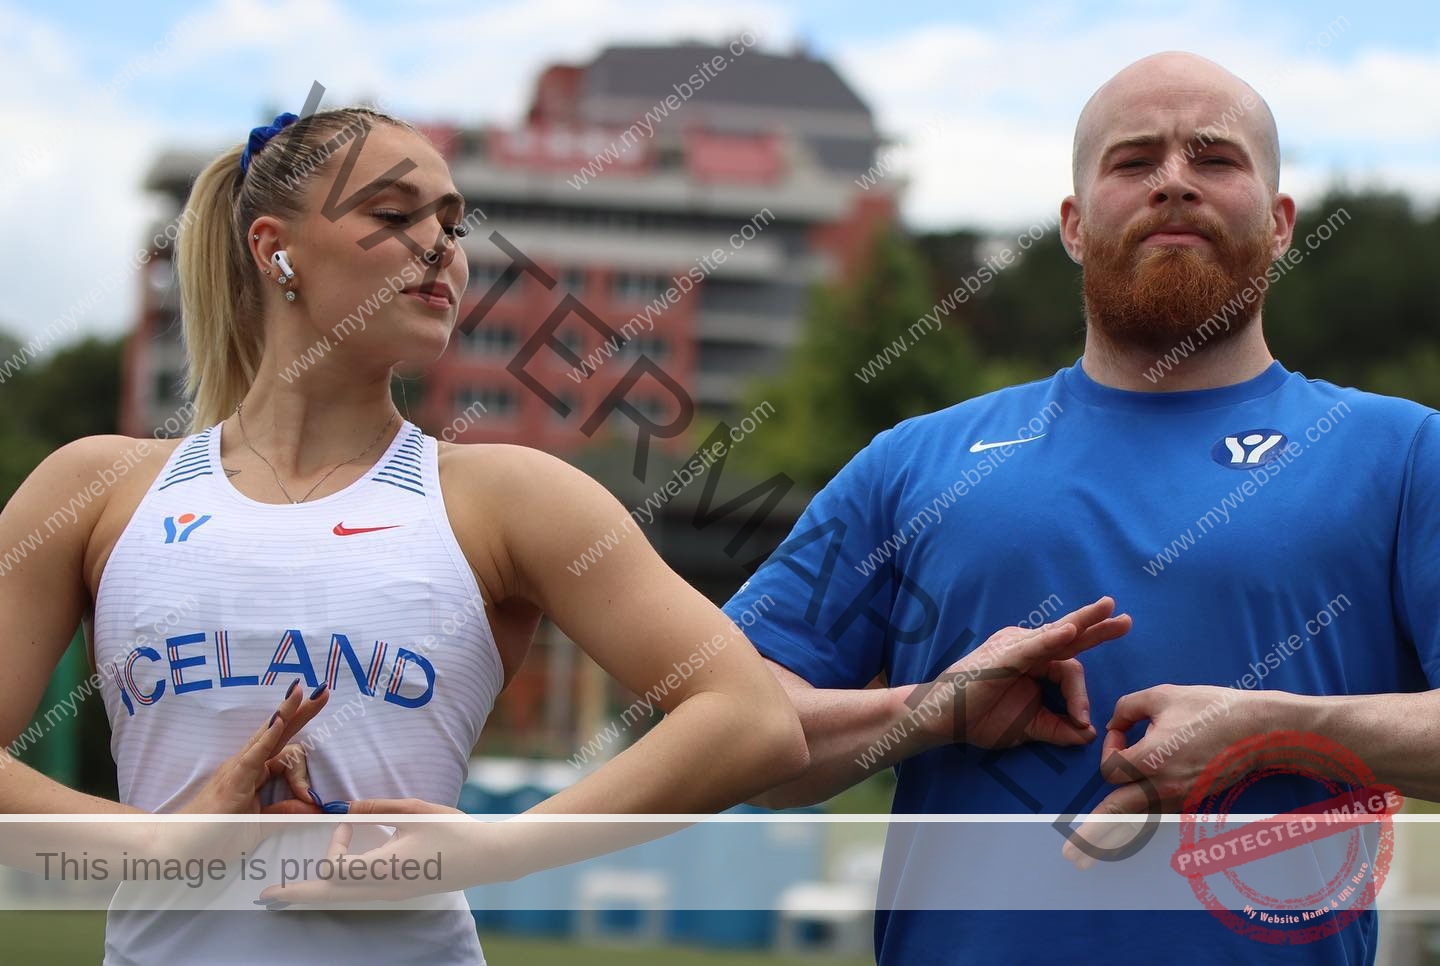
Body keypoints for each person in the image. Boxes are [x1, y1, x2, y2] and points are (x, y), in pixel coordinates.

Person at [0, 105, 808, 965]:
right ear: (275, 249)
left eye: (453, 224)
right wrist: (157, 845)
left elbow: (751, 719)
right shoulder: (94, 487)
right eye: (394, 216)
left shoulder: (508, 496)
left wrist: (502, 846)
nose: (441, 248)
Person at [725, 50, 1440, 965]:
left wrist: (1274, 731)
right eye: (1134, 161)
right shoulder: (915, 461)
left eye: (1215, 159)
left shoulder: (1403, 454)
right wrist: (929, 709)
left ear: (1280, 223)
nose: (1174, 183)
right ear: (1071, 222)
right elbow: (732, 726)